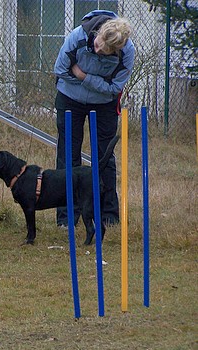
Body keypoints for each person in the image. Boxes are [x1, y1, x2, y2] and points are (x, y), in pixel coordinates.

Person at [54, 10, 134, 228]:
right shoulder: (77, 36)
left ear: (116, 50)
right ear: (98, 32)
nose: (97, 50)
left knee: (105, 157)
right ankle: (67, 217)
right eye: (97, 44)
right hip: (69, 100)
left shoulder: (127, 52)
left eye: (104, 51)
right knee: (68, 156)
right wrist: (99, 83)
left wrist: (84, 76)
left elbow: (115, 88)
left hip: (105, 106)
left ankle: (108, 215)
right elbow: (60, 69)